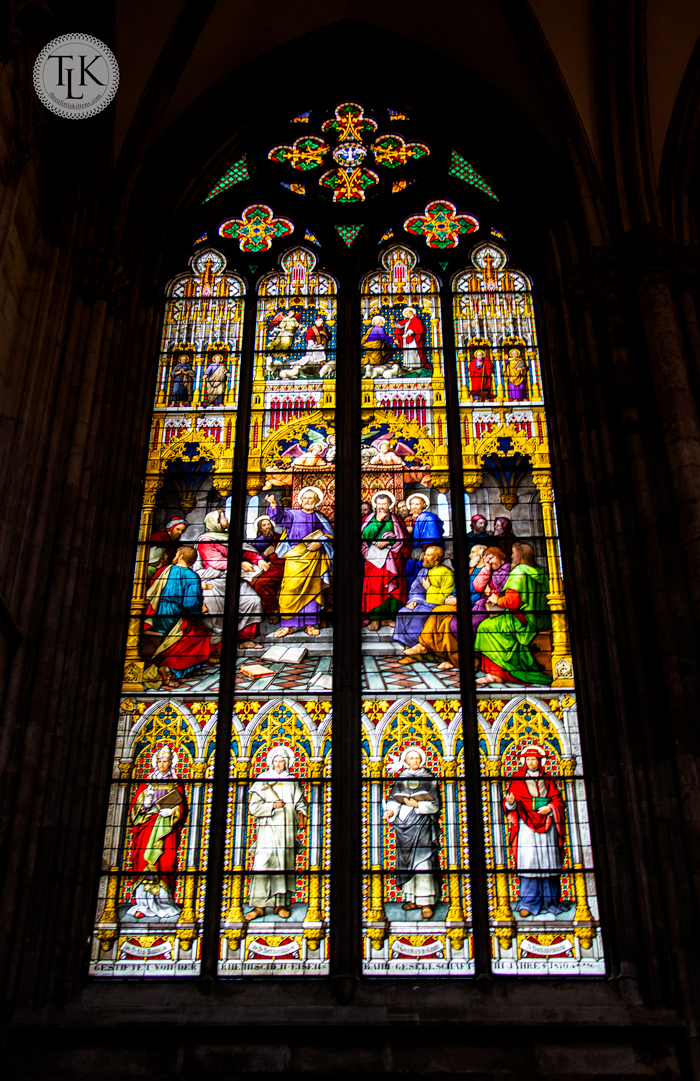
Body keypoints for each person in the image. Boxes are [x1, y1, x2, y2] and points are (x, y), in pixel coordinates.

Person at [474, 541, 551, 686]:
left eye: (514, 553)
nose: (512, 556)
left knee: (485, 627)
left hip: (523, 620)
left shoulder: (519, 571)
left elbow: (513, 601)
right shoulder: (540, 572)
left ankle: (497, 673)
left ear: (520, 556)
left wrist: (497, 600)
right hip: (541, 618)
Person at [503, 747, 569, 918]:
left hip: (547, 824)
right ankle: (528, 902)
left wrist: (550, 808)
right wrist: (510, 803)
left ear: (540, 761)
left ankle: (551, 901)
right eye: (528, 759)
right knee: (530, 861)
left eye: (534, 759)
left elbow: (558, 801)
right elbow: (510, 805)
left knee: (548, 860)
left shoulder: (547, 779)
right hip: (526, 825)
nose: (531, 762)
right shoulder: (517, 779)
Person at [245, 746, 308, 921]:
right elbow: (253, 807)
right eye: (276, 761)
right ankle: (259, 906)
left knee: (283, 865)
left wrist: (302, 813)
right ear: (271, 762)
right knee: (263, 863)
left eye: (282, 761)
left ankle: (280, 904)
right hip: (267, 830)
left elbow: (300, 802)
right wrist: (272, 806)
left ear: (287, 763)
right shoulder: (263, 781)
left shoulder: (292, 781)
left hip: (286, 831)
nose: (279, 764)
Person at [125, 746, 187, 921]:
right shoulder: (147, 783)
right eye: (159, 761)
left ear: (171, 763)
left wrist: (172, 813)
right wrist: (144, 805)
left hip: (165, 828)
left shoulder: (176, 784)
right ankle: (143, 904)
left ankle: (164, 902)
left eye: (165, 761)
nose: (162, 765)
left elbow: (181, 808)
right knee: (143, 860)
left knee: (165, 862)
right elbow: (134, 812)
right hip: (147, 827)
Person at [264, 488, 333, 637]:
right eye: (305, 498)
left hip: (314, 558)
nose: (307, 501)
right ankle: (288, 626)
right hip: (295, 557)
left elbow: (329, 535)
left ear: (316, 501)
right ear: (301, 500)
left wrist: (320, 543)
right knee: (289, 591)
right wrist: (274, 505)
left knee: (312, 591)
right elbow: (279, 518)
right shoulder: (293, 514)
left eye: (311, 498)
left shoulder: (320, 517)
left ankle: (310, 625)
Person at [384, 746, 441, 919]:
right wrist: (391, 811)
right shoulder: (401, 777)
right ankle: (413, 898)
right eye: (411, 758)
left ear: (422, 760)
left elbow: (435, 804)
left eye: (417, 758)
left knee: (423, 862)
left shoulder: (429, 778)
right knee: (407, 863)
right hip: (404, 826)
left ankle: (426, 902)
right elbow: (394, 798)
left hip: (423, 825)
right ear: (406, 761)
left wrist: (418, 805)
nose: (414, 761)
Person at [143, 546, 210, 689]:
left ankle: (188, 667)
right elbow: (191, 604)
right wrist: (200, 609)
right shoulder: (191, 576)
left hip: (158, 612)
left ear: (179, 556)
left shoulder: (165, 570)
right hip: (174, 614)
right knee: (201, 634)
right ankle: (172, 669)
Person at [361, 491, 407, 631]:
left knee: (392, 589)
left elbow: (403, 538)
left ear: (389, 505)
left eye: (384, 504)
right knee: (374, 588)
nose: (381, 507)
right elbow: (365, 535)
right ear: (375, 505)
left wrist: (389, 541)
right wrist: (378, 521)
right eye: (379, 504)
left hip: (392, 556)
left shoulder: (396, 519)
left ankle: (388, 618)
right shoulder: (369, 519)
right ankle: (375, 619)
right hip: (373, 559)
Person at [394, 546, 455, 651]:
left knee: (419, 617)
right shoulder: (423, 571)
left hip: (436, 605)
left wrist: (429, 588)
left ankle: (422, 647)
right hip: (421, 603)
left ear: (436, 559)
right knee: (402, 613)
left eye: (428, 555)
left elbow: (445, 597)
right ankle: (408, 645)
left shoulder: (447, 573)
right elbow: (416, 589)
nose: (424, 557)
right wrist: (413, 601)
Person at [193, 509, 228, 636]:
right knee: (212, 598)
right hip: (211, 576)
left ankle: (244, 638)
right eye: (224, 518)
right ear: (216, 522)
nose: (227, 520)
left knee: (253, 601)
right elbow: (216, 562)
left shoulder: (226, 537)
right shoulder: (206, 540)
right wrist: (240, 564)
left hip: (226, 576)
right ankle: (220, 632)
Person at [244, 515, 284, 622]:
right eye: (264, 525)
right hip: (263, 568)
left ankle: (274, 610)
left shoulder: (280, 537)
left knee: (262, 583)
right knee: (257, 583)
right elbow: (252, 557)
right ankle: (271, 610)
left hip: (280, 565)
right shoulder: (256, 543)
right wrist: (265, 553)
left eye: (268, 524)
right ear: (260, 528)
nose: (267, 527)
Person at [404, 492, 445, 589]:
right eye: (412, 504)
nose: (414, 506)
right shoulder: (406, 520)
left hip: (424, 552)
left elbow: (431, 535)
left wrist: (426, 551)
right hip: (409, 553)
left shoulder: (427, 517)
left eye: (417, 504)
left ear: (424, 505)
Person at [470, 546, 512, 633]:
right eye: (486, 559)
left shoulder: (507, 570)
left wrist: (490, 592)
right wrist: (487, 567)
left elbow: (504, 591)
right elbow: (477, 586)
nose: (489, 561)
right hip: (487, 605)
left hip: (500, 606)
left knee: (473, 623)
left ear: (500, 556)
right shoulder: (490, 571)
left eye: (491, 558)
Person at [413, 598, 459, 670]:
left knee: (447, 622)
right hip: (458, 604)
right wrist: (452, 596)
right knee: (438, 611)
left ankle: (455, 660)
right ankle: (424, 644)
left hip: (471, 605)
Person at [395, 306, 429, 372]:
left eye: (408, 313)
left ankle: (414, 366)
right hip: (406, 338)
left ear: (411, 312)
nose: (407, 315)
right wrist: (393, 323)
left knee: (413, 351)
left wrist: (408, 334)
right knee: (407, 351)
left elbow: (416, 328)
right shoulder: (407, 321)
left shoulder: (417, 320)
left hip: (413, 338)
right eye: (406, 314)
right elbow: (400, 326)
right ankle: (408, 365)